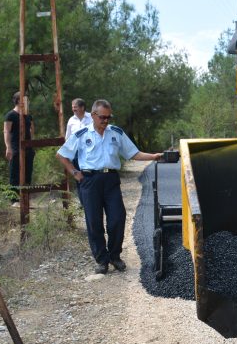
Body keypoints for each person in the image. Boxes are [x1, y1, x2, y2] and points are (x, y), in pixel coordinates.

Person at [56, 99, 163, 275]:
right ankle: (101, 260)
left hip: (111, 179)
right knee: (94, 222)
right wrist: (75, 172)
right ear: (94, 116)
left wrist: (154, 156)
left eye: (108, 118)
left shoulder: (116, 133)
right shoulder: (82, 134)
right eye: (103, 118)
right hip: (90, 181)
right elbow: (61, 154)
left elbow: (133, 153)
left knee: (117, 218)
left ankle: (115, 256)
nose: (106, 121)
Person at [3, 91, 35, 206]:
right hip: (16, 147)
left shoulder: (28, 115)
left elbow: (32, 130)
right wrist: (8, 147)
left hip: (28, 148)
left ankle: (25, 197)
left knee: (28, 173)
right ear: (18, 101)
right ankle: (14, 200)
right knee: (14, 173)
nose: (27, 102)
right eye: (25, 99)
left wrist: (32, 142)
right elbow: (6, 131)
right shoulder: (10, 115)